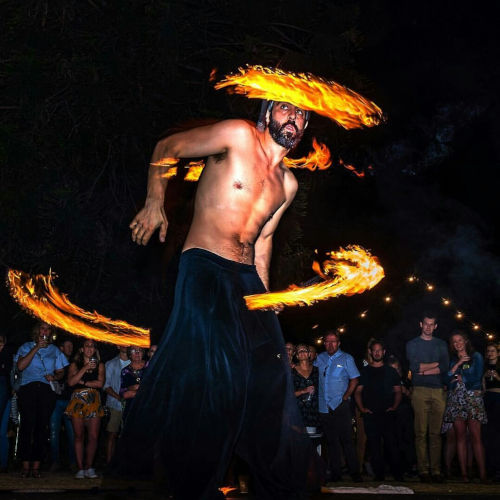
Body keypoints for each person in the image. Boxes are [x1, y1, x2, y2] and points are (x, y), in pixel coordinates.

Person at [116, 100, 321, 499]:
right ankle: (192, 483)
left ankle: (274, 483)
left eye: (301, 115)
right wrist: (155, 200)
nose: (293, 118)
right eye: (284, 110)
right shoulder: (238, 135)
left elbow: (264, 241)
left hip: (245, 280)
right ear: (267, 115)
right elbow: (167, 148)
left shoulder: (288, 184)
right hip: (205, 266)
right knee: (216, 373)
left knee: (268, 373)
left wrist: (263, 296)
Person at [14, 322, 68, 478]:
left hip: (46, 390)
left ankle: (36, 466)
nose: (45, 331)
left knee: (41, 427)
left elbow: (61, 372)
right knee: (26, 425)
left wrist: (55, 376)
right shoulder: (26, 346)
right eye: (42, 328)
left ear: (51, 332)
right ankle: (25, 465)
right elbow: (21, 366)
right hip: (28, 388)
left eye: (48, 329)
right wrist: (36, 347)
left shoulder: (55, 350)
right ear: (37, 331)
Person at [406, 312, 448, 482]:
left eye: (432, 324)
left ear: (436, 326)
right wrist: (433, 365)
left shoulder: (441, 344)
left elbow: (445, 365)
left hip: (438, 390)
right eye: (426, 324)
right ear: (421, 324)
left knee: (436, 433)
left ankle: (436, 470)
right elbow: (414, 367)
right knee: (421, 432)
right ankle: (423, 470)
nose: (429, 327)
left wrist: (425, 370)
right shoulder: (412, 344)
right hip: (420, 390)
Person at [314, 331, 361, 482]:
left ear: (339, 343)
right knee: (331, 442)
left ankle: (355, 473)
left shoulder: (347, 358)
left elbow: (354, 379)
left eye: (333, 341)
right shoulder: (319, 358)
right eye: (327, 341)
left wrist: (345, 397)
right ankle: (336, 473)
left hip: (340, 405)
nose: (330, 344)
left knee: (347, 440)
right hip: (324, 406)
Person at [354, 340, 403, 481]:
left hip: (388, 414)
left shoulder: (391, 371)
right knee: (374, 447)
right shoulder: (365, 371)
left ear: (384, 352)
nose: (377, 352)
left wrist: (394, 407)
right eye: (374, 350)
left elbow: (398, 391)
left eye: (379, 350)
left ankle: (397, 474)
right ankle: (379, 475)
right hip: (371, 415)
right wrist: (362, 408)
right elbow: (357, 392)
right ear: (370, 352)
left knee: (391, 445)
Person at [443, 332, 487, 482]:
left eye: (460, 340)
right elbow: (448, 378)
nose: (457, 343)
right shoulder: (453, 360)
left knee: (476, 437)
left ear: (465, 341)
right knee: (460, 437)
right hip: (456, 398)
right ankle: (464, 475)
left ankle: (482, 474)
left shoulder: (477, 356)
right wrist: (457, 364)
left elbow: (477, 376)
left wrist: (462, 377)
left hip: (472, 397)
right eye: (454, 342)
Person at [66, 339, 105, 479]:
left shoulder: (100, 365)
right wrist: (84, 367)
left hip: (93, 400)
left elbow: (100, 383)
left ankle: (89, 467)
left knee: (93, 436)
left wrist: (83, 382)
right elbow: (71, 382)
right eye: (87, 346)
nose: (89, 348)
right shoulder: (74, 364)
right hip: (77, 400)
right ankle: (80, 468)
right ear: (82, 349)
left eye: (92, 346)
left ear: (95, 350)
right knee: (79, 436)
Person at [49, 338, 76, 471]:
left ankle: (73, 462)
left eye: (71, 346)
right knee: (54, 432)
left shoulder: (75, 363)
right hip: (56, 401)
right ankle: (55, 461)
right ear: (61, 348)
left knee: (73, 433)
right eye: (67, 345)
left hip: (70, 402)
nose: (70, 348)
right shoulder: (54, 361)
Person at [103, 345, 129, 465]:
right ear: (118, 345)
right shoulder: (110, 363)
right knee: (112, 434)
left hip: (130, 405)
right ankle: (109, 464)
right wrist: (120, 398)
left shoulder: (135, 362)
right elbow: (106, 386)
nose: (126, 345)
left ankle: (124, 464)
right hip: (115, 405)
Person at [292, 344, 319, 431]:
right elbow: (287, 394)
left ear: (309, 354)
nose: (302, 352)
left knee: (313, 442)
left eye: (305, 350)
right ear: (297, 355)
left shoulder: (317, 370)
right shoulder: (291, 372)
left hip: (314, 413)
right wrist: (303, 391)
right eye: (300, 351)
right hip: (297, 413)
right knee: (298, 442)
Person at [483, 342, 500, 481]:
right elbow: (482, 387)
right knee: (489, 434)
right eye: (488, 351)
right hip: (487, 398)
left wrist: (497, 377)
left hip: (499, 398)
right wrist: (484, 377)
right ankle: (490, 468)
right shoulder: (484, 366)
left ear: (498, 353)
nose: (490, 353)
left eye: (493, 351)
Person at [120, 347, 147, 421]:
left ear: (143, 353)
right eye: (133, 350)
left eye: (140, 350)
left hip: (149, 407)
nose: (137, 353)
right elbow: (123, 394)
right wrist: (133, 387)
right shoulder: (125, 371)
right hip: (132, 410)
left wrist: (135, 390)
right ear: (129, 354)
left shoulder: (150, 366)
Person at [0, 334, 13, 472]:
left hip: (6, 397)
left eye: (1, 342)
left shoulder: (7, 356)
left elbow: (9, 372)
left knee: (2, 432)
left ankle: (3, 463)